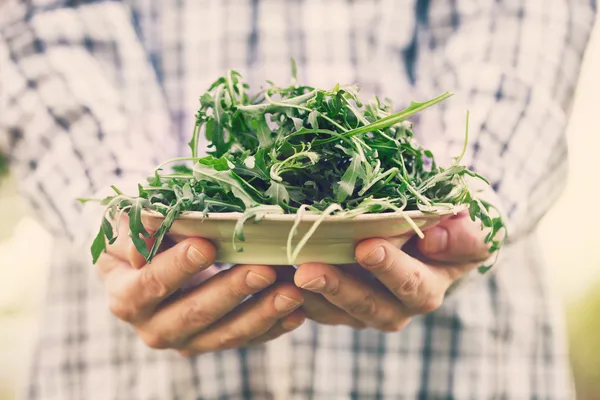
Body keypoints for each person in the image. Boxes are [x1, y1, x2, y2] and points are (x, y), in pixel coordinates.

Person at [0, 0, 596, 398]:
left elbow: (522, 25)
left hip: (461, 364)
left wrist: (457, 196)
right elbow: (40, 25)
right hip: (127, 372)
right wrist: (137, 213)